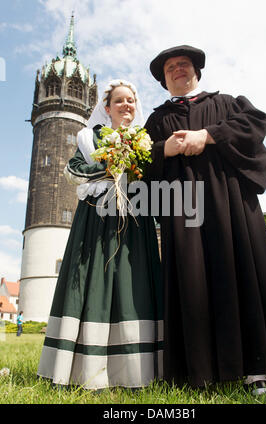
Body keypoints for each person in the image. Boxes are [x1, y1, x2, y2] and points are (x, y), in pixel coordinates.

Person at [145, 45, 266, 395]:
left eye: (183, 64)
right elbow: (138, 166)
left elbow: (255, 123)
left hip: (230, 204)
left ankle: (254, 370)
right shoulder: (156, 121)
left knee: (241, 275)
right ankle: (199, 373)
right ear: (164, 79)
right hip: (182, 211)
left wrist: (208, 135)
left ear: (196, 70)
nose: (177, 69)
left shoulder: (228, 104)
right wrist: (163, 150)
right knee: (191, 282)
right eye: (170, 68)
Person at [37, 79, 163, 390]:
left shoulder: (143, 139)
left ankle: (136, 371)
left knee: (133, 285)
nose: (126, 105)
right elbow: (74, 169)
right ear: (106, 108)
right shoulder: (89, 136)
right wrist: (110, 163)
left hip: (135, 217)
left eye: (130, 101)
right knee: (94, 282)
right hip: (96, 218)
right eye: (119, 101)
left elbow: (153, 177)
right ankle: (83, 368)